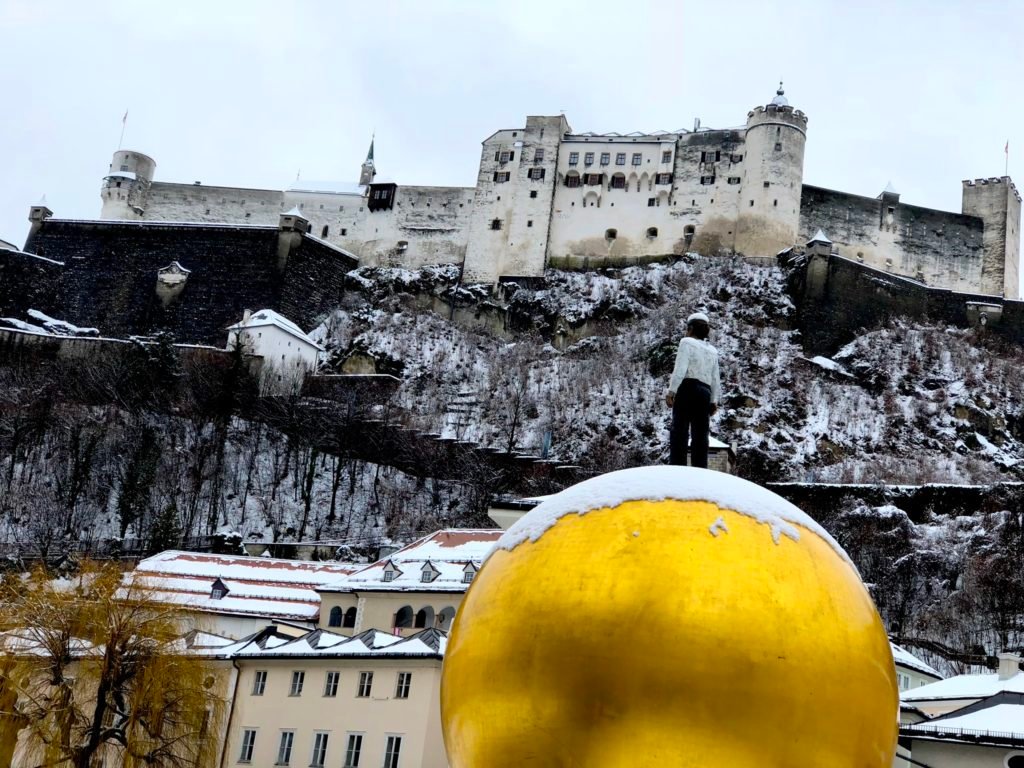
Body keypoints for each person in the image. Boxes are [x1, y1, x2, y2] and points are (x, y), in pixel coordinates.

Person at [665, 312, 721, 469]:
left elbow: (680, 369)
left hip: (687, 388)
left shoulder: (686, 342)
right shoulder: (712, 351)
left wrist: (671, 392)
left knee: (679, 431)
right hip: (705, 392)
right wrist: (714, 401)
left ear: (690, 328)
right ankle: (700, 469)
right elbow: (715, 378)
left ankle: (677, 467)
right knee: (701, 434)